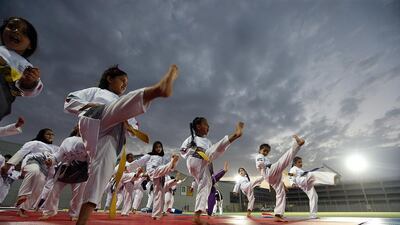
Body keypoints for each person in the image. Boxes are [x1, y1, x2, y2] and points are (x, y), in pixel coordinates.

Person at [64, 64, 179, 225]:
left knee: (101, 175)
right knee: (114, 108)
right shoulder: (96, 92)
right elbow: (69, 101)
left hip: (112, 137)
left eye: (127, 82)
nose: (125, 84)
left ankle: (81, 221)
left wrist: (129, 126)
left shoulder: (123, 103)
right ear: (109, 79)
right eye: (122, 80)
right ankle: (156, 91)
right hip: (94, 121)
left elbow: (134, 128)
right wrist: (94, 106)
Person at [180, 117, 244, 225]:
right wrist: (193, 149)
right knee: (216, 148)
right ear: (198, 126)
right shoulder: (190, 139)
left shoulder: (208, 142)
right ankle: (234, 135)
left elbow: (209, 158)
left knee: (206, 184)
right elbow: (182, 150)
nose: (208, 127)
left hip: (203, 165)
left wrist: (210, 170)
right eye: (206, 124)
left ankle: (197, 214)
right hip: (193, 160)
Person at [1, 128, 58, 217]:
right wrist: (9, 164)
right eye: (48, 134)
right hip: (32, 161)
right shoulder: (35, 143)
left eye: (52, 134)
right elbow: (21, 152)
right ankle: (22, 195)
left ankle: (22, 209)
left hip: (44, 168)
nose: (51, 136)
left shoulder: (55, 148)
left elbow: (60, 157)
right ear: (42, 135)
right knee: (34, 170)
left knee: (38, 189)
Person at [40, 127, 89, 221]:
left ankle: (74, 214)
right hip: (65, 168)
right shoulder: (68, 140)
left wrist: (90, 171)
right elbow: (59, 154)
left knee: (78, 195)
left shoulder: (91, 142)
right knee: (53, 191)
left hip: (81, 169)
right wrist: (52, 160)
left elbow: (91, 159)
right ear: (77, 129)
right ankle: (49, 211)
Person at [0, 17, 42, 121]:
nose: (16, 31)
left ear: (30, 45)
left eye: (24, 32)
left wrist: (30, 81)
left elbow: (33, 89)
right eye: (11, 27)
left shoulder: (24, 65)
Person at [255, 135, 305, 222]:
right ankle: (297, 144)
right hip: (268, 172)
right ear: (260, 150)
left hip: (272, 177)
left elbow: (282, 173)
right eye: (264, 150)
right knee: (283, 161)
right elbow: (260, 164)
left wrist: (283, 184)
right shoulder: (259, 155)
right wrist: (265, 166)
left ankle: (278, 214)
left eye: (267, 151)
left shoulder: (266, 158)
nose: (266, 152)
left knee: (281, 193)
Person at [125, 141, 179, 219]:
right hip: (153, 172)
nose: (158, 149)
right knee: (161, 169)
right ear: (154, 148)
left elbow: (168, 170)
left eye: (160, 147)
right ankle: (172, 162)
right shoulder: (149, 155)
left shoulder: (163, 158)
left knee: (159, 194)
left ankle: (156, 215)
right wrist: (129, 167)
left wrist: (172, 166)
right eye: (156, 147)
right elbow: (139, 162)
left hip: (160, 176)